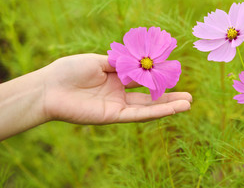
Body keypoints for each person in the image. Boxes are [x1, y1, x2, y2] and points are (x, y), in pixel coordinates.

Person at [0, 54, 192, 141]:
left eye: (147, 60)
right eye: (145, 61)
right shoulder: (140, 62)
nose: (147, 61)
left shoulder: (151, 63)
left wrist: (46, 88)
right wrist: (45, 88)